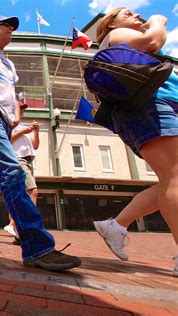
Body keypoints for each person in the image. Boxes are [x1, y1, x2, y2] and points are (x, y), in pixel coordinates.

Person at [0, 15, 81, 271]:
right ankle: (37, 247)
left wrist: (15, 116)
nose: (11, 30)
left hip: (3, 123)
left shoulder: (8, 64)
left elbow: (7, 99)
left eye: (12, 27)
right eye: (6, 26)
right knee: (13, 172)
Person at [92, 8, 178, 276]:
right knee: (175, 175)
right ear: (111, 24)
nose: (137, 15)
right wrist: (158, 21)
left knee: (170, 177)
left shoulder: (124, 35)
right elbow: (154, 41)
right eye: (127, 13)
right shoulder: (117, 34)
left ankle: (116, 225)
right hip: (152, 105)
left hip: (162, 104)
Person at [4, 101, 41, 245]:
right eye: (20, 108)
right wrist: (22, 132)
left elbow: (35, 146)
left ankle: (18, 231)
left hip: (28, 160)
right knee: (33, 191)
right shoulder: (9, 125)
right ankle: (25, 225)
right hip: (17, 159)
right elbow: (6, 140)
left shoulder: (23, 127)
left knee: (20, 195)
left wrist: (36, 131)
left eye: (23, 109)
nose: (23, 111)